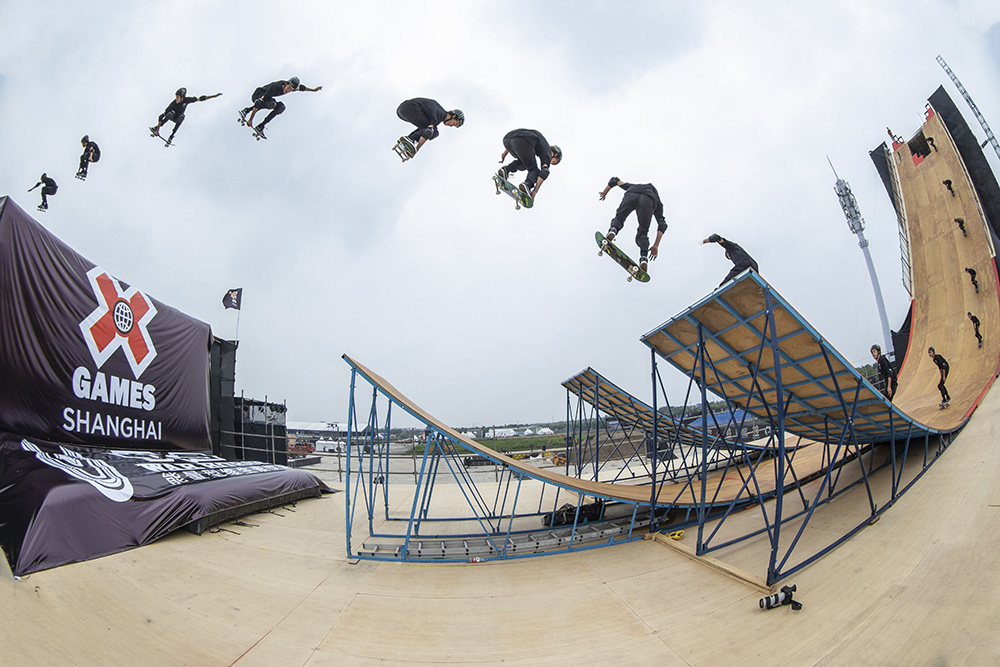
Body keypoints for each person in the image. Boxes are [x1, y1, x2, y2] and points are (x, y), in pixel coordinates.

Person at [598, 177, 667, 272]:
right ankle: (643, 259)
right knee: (643, 233)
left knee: (619, 217)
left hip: (631, 193)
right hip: (649, 200)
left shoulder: (632, 186)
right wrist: (656, 245)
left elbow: (614, 181)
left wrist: (604, 193)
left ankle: (612, 231)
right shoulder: (658, 203)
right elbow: (662, 225)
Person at [239, 76, 322, 138]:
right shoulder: (275, 87)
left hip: (266, 99)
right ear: (285, 84)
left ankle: (261, 126)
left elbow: (302, 88)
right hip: (259, 95)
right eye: (288, 88)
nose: (287, 91)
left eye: (290, 90)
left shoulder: (292, 88)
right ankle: (246, 110)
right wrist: (250, 120)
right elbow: (258, 103)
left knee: (280, 107)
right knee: (271, 104)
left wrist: (314, 90)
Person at [498, 129, 561, 201]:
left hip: (507, 140)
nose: (550, 162)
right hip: (523, 142)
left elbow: (517, 138)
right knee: (534, 170)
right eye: (553, 161)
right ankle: (527, 184)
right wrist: (535, 191)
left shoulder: (541, 140)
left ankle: (505, 170)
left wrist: (504, 154)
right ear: (555, 154)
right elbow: (544, 172)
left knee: (524, 163)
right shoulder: (547, 151)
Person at [150, 87, 223, 144]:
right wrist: (157, 130)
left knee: (182, 116)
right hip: (172, 116)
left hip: (178, 118)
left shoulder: (186, 100)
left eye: (178, 97)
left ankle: (171, 136)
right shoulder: (173, 104)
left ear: (182, 97)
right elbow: (161, 116)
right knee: (170, 113)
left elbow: (200, 98)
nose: (176, 99)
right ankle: (156, 128)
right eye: (176, 97)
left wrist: (214, 96)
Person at [395, 98, 464, 157]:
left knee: (431, 130)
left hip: (402, 110)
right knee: (433, 132)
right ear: (454, 116)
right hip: (409, 108)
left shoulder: (438, 113)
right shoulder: (440, 114)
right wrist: (416, 150)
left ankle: (408, 139)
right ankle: (410, 139)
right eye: (454, 123)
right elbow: (428, 131)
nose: (451, 126)